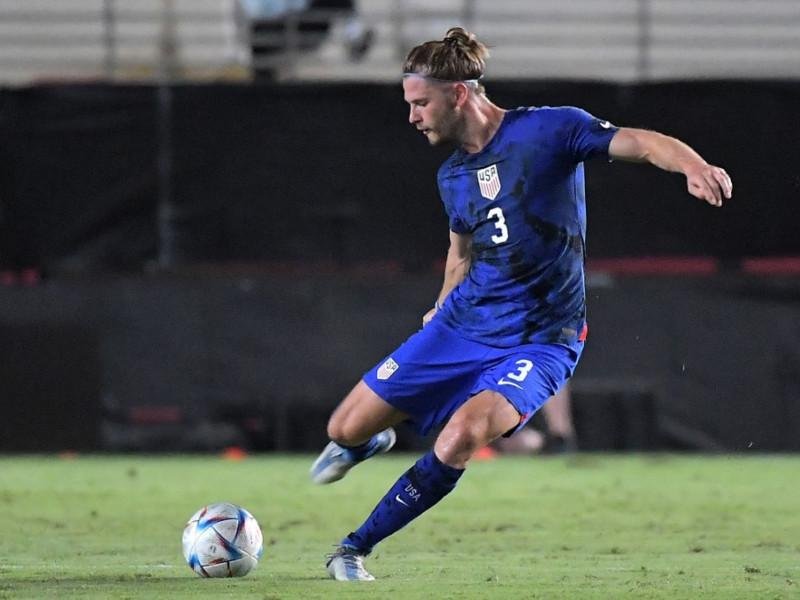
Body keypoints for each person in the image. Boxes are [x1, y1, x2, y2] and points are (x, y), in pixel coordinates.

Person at [310, 27, 732, 581]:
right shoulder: (453, 174)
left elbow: (643, 141)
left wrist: (693, 166)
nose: (412, 116)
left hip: (543, 338)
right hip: (465, 324)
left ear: (458, 93)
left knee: (460, 437)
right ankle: (369, 442)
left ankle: (352, 549)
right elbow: (460, 252)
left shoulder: (551, 128)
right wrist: (440, 307)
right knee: (343, 430)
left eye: (420, 103)